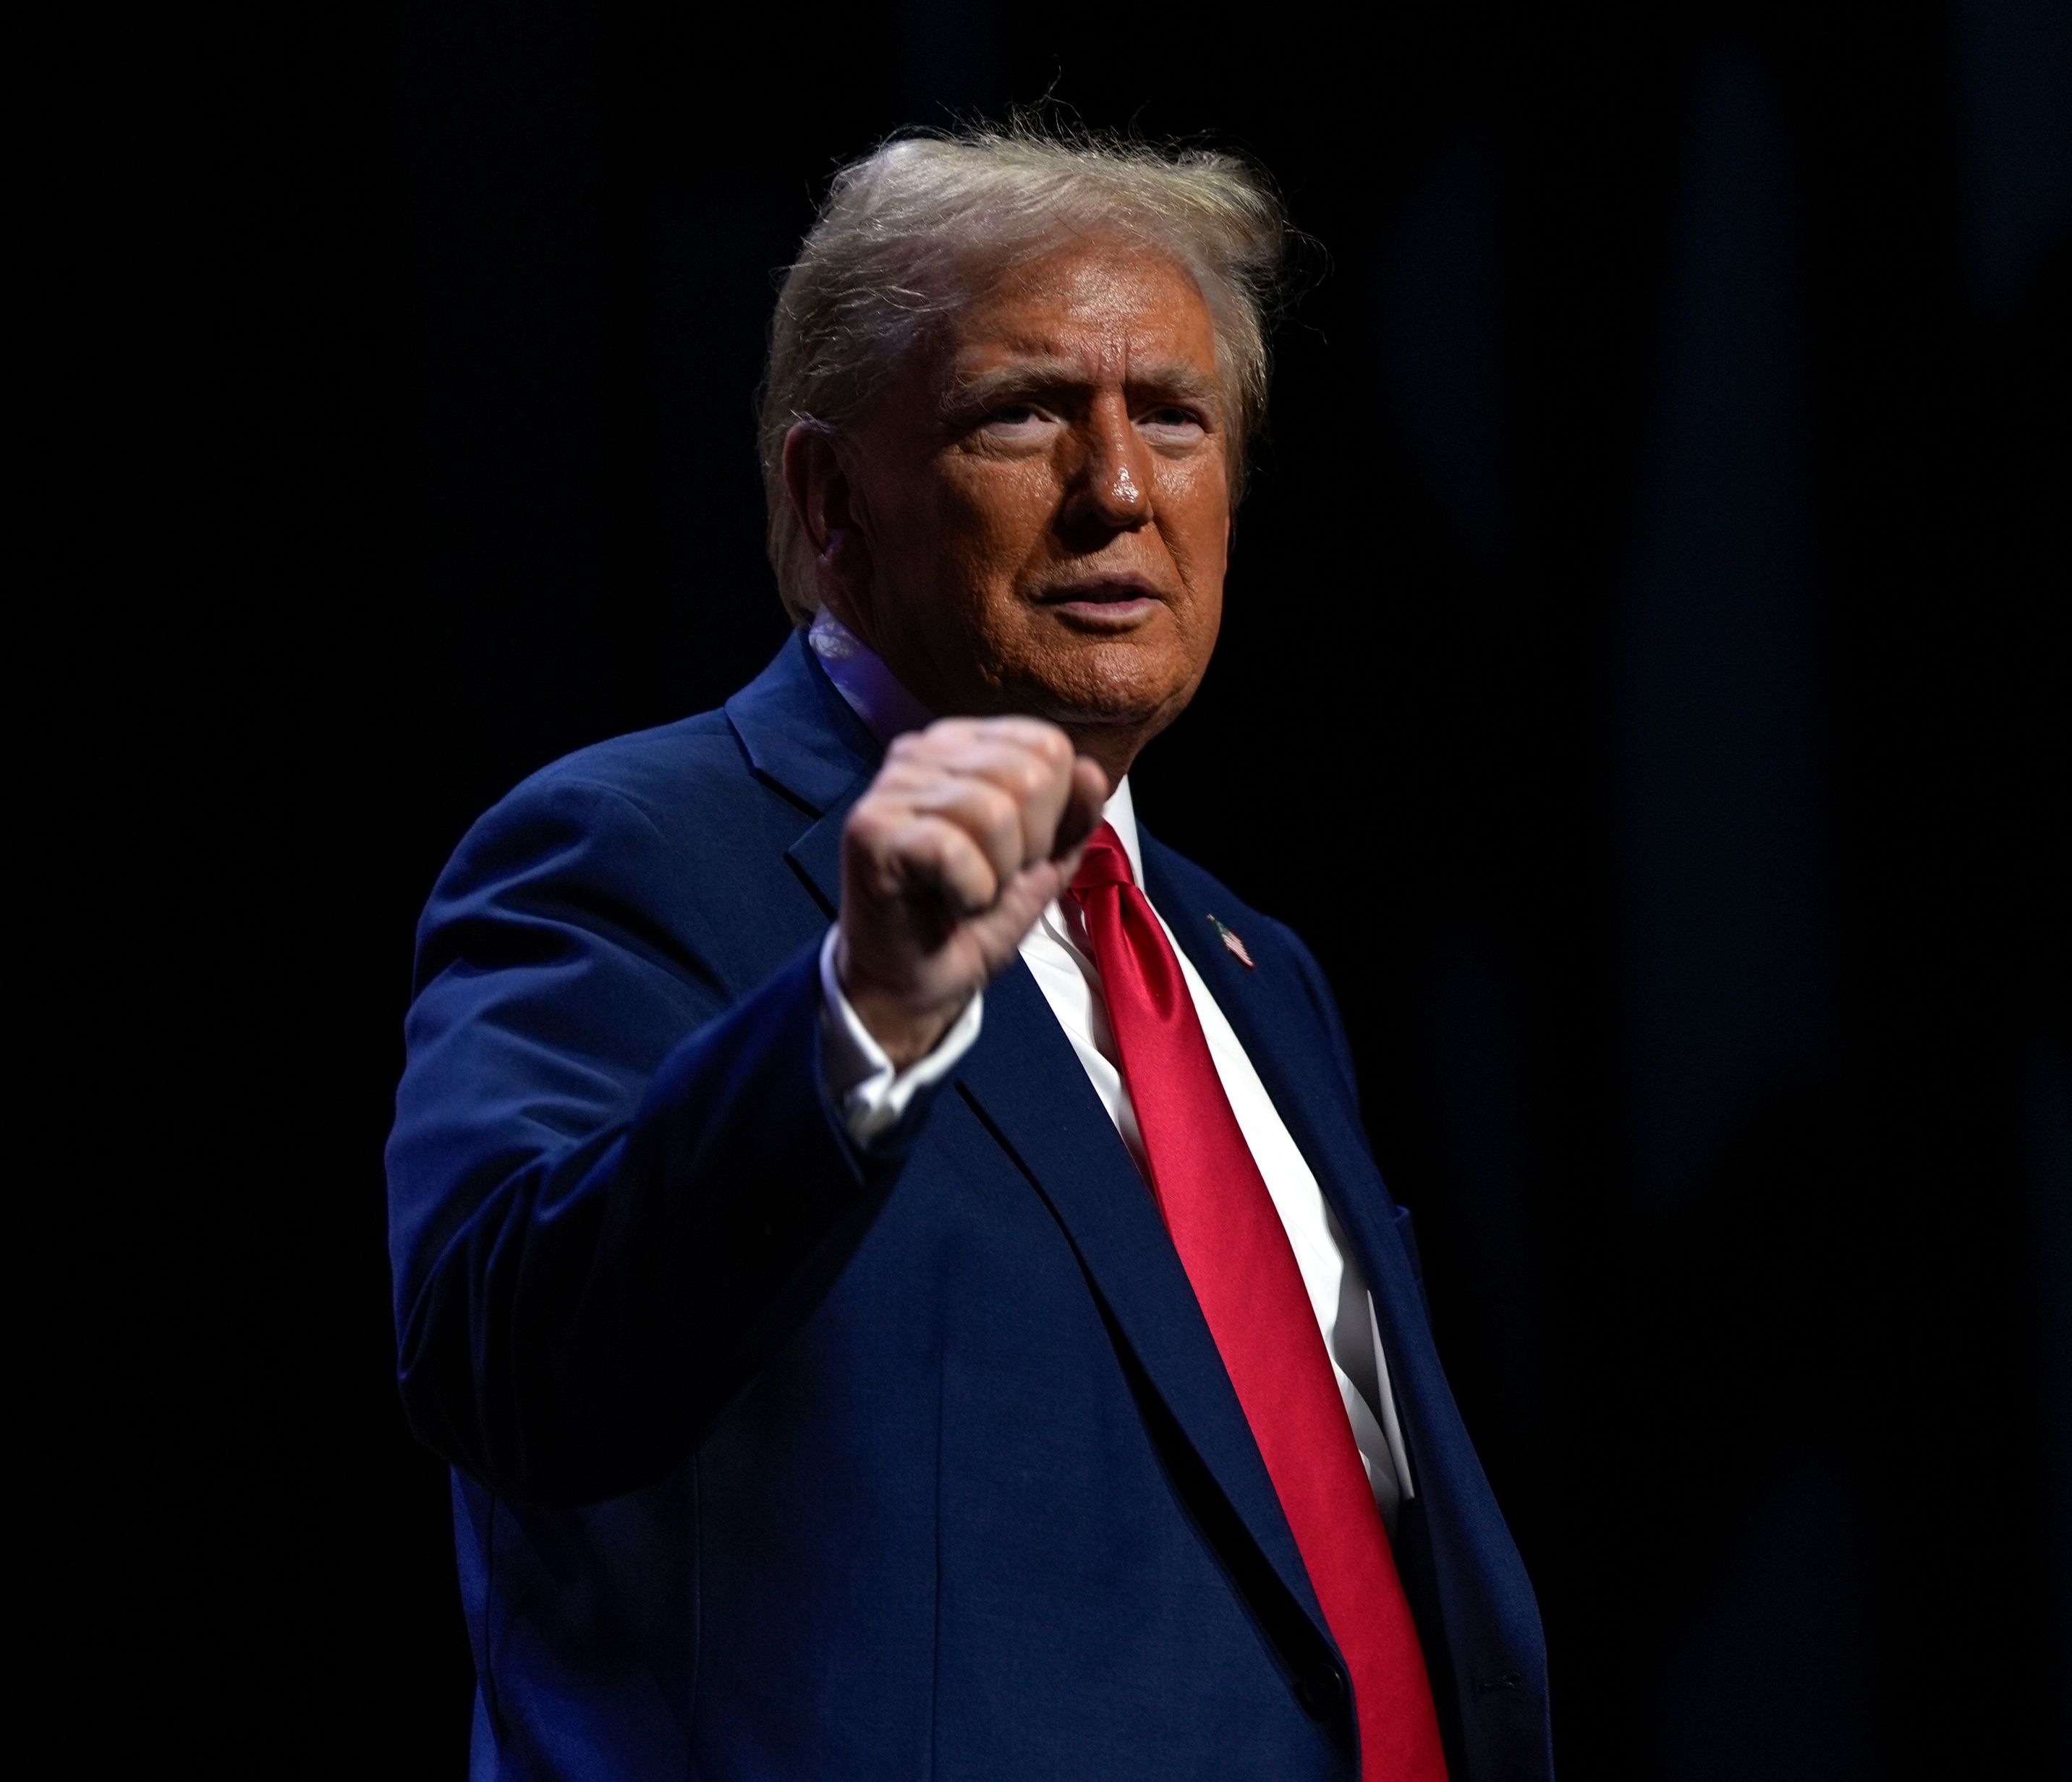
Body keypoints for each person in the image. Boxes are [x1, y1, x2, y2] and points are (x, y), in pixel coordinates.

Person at [386, 127, 1549, 1780]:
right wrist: (858, 1018)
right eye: (1024, 412)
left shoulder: (1250, 966)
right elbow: (511, 1361)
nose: (1121, 489)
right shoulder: (633, 854)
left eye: (1175, 415)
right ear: (830, 498)